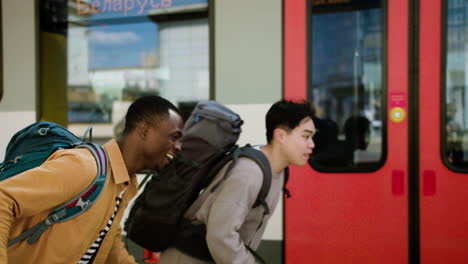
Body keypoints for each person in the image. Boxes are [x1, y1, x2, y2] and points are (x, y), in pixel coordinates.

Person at [0, 95, 183, 263]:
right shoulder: (84, 167)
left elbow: (107, 240)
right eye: (174, 137)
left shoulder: (125, 182)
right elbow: (3, 199)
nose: (178, 147)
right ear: (144, 130)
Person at [158, 99, 316, 264]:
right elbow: (221, 235)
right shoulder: (249, 173)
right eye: (306, 136)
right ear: (280, 136)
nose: (312, 144)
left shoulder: (279, 171)